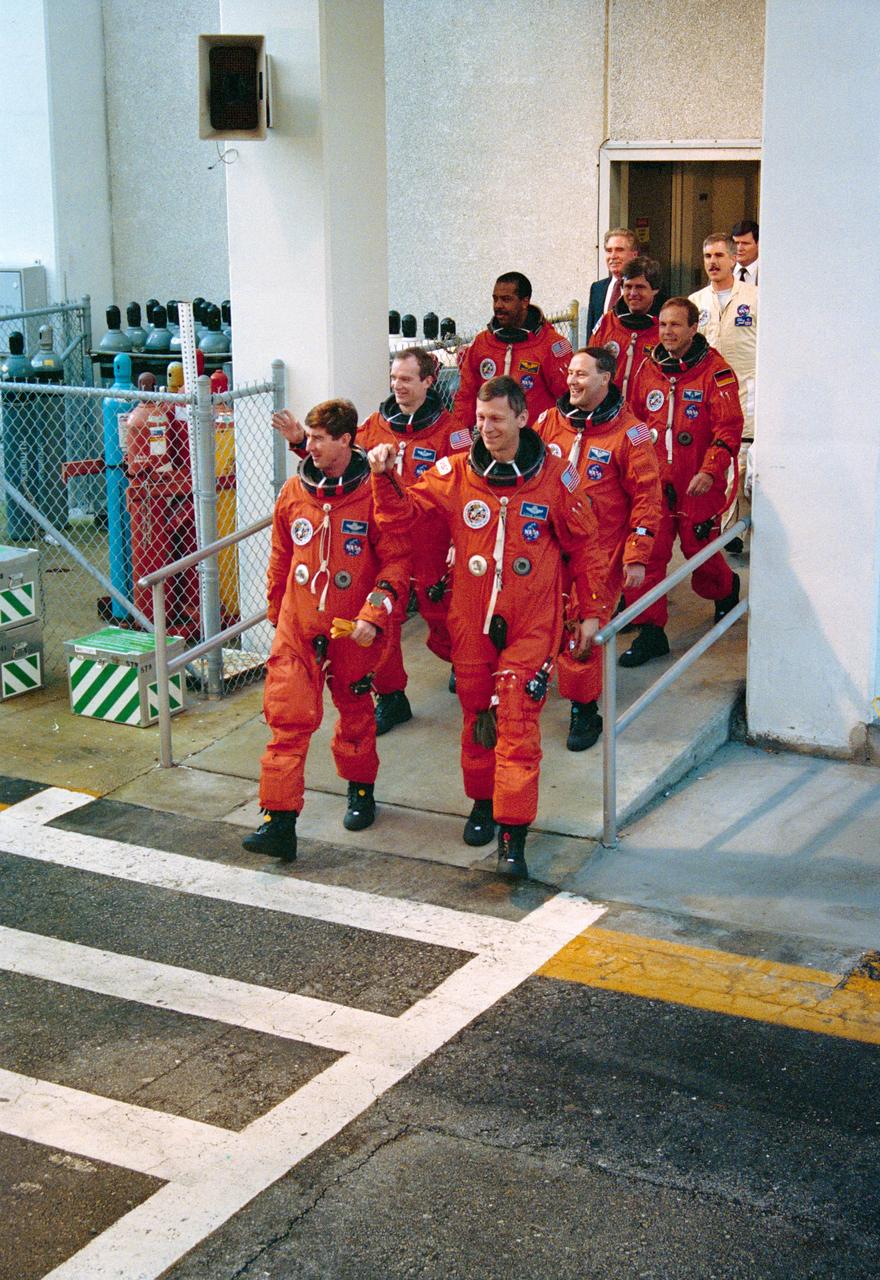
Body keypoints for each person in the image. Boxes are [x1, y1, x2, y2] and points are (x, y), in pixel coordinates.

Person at [368, 376, 611, 880]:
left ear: (523, 417)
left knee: (518, 721)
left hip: (532, 620)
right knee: (477, 715)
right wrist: (384, 479)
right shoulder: (456, 473)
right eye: (480, 419)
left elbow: (587, 547)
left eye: (496, 419)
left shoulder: (556, 478)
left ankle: (512, 836)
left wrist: (591, 611)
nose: (486, 429)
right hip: (472, 618)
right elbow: (404, 515)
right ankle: (482, 802)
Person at [243, 399, 410, 862]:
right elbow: (281, 555)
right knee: (286, 717)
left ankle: (360, 790)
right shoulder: (296, 492)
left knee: (355, 711)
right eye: (308, 438)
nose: (307, 446)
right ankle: (278, 822)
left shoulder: (374, 496)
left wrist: (373, 618)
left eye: (318, 439)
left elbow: (396, 566)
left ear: (345, 441)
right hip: (299, 625)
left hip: (351, 628)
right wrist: (278, 612)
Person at [535, 348, 662, 749]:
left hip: (599, 548)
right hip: (550, 543)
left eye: (582, 375)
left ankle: (584, 711)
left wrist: (637, 554)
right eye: (570, 373)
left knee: (581, 628)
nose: (572, 381)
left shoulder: (630, 433)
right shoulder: (548, 423)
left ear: (606, 378)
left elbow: (647, 496)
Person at [619, 298, 744, 667]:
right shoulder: (648, 368)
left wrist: (709, 470)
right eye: (663, 326)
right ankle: (650, 632)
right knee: (648, 554)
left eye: (676, 326)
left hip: (697, 480)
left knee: (697, 549)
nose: (668, 333)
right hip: (655, 482)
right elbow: (633, 424)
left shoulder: (716, 373)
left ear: (693, 329)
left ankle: (726, 588)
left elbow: (728, 430)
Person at [357, 348, 471, 732]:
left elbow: (466, 489)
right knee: (381, 618)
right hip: (387, 544)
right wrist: (302, 444)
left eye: (406, 379)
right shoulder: (376, 424)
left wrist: (461, 538)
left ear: (427, 381)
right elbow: (345, 456)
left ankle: (461, 660)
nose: (397, 386)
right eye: (393, 378)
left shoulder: (451, 431)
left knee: (443, 615)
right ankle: (391, 697)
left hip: (432, 541)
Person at [450, 272, 572, 431]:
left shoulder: (552, 345)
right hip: (491, 439)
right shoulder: (482, 344)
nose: (498, 305)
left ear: (524, 301)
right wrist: (461, 446)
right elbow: (465, 399)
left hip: (535, 443)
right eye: (495, 299)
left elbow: (569, 401)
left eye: (506, 299)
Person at [689, 233, 758, 439]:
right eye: (707, 256)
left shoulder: (755, 297)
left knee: (743, 453)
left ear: (733, 258)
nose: (713, 262)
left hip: (746, 391)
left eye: (719, 255)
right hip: (708, 393)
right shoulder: (695, 302)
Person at [590, 256, 662, 399]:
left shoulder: (665, 327)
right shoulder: (608, 322)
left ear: (655, 290)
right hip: (611, 410)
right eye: (628, 287)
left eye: (640, 287)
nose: (633, 293)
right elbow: (590, 366)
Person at [586, 228, 640, 334]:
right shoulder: (597, 288)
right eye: (609, 251)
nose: (613, 256)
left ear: (634, 255)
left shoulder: (644, 288)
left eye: (619, 250)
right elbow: (591, 332)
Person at [731, 219, 759, 286]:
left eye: (745, 243)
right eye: (736, 243)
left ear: (758, 244)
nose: (739, 248)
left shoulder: (768, 272)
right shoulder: (722, 270)